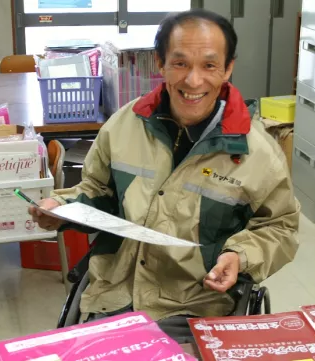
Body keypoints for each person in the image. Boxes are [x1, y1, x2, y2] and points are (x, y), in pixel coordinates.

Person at [30, 8, 300, 342]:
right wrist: (62, 205)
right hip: (114, 293)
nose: (193, 80)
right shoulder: (124, 125)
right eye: (180, 63)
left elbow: (280, 227)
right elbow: (99, 191)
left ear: (228, 68)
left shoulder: (257, 152)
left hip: (197, 306)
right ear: (160, 64)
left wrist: (240, 255)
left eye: (209, 65)